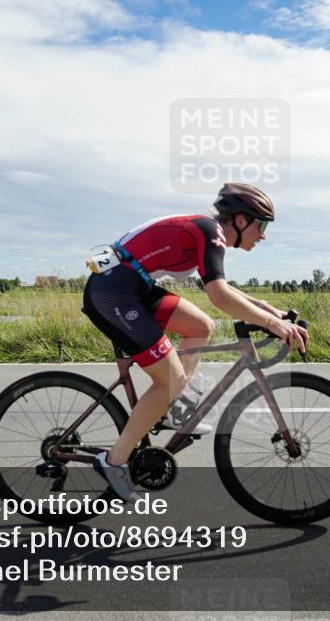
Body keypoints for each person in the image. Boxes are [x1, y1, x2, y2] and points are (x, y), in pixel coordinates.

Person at [81, 183, 309, 501]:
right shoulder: (210, 231)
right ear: (241, 221)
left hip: (132, 286)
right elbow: (219, 296)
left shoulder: (207, 232)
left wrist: (268, 310)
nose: (264, 234)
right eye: (263, 225)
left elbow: (221, 287)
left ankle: (171, 403)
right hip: (114, 291)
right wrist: (272, 324)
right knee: (169, 379)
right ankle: (114, 460)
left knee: (200, 325)